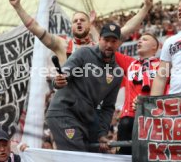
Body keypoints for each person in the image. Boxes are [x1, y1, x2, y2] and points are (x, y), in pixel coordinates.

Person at [9, 0, 153, 65]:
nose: (78, 22)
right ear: (71, 26)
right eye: (75, 21)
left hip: (93, 104)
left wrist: (146, 7)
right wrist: (18, 7)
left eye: (82, 20)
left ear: (89, 25)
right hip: (69, 104)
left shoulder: (101, 45)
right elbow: (36, 28)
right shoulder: (62, 45)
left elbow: (128, 28)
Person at [46, 23, 123, 152]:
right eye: (106, 40)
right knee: (77, 157)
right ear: (99, 39)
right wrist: (58, 81)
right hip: (64, 113)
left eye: (113, 41)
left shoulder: (117, 73)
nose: (109, 45)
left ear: (118, 43)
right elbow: (66, 72)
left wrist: (102, 134)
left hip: (87, 120)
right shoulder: (84, 53)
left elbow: (108, 107)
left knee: (94, 155)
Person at [115, 33, 168, 154]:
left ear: (155, 46)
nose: (139, 41)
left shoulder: (164, 66)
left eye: (144, 40)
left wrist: (147, 104)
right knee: (124, 157)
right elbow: (108, 45)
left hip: (153, 119)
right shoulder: (130, 63)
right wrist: (91, 27)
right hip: (129, 119)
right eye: (139, 40)